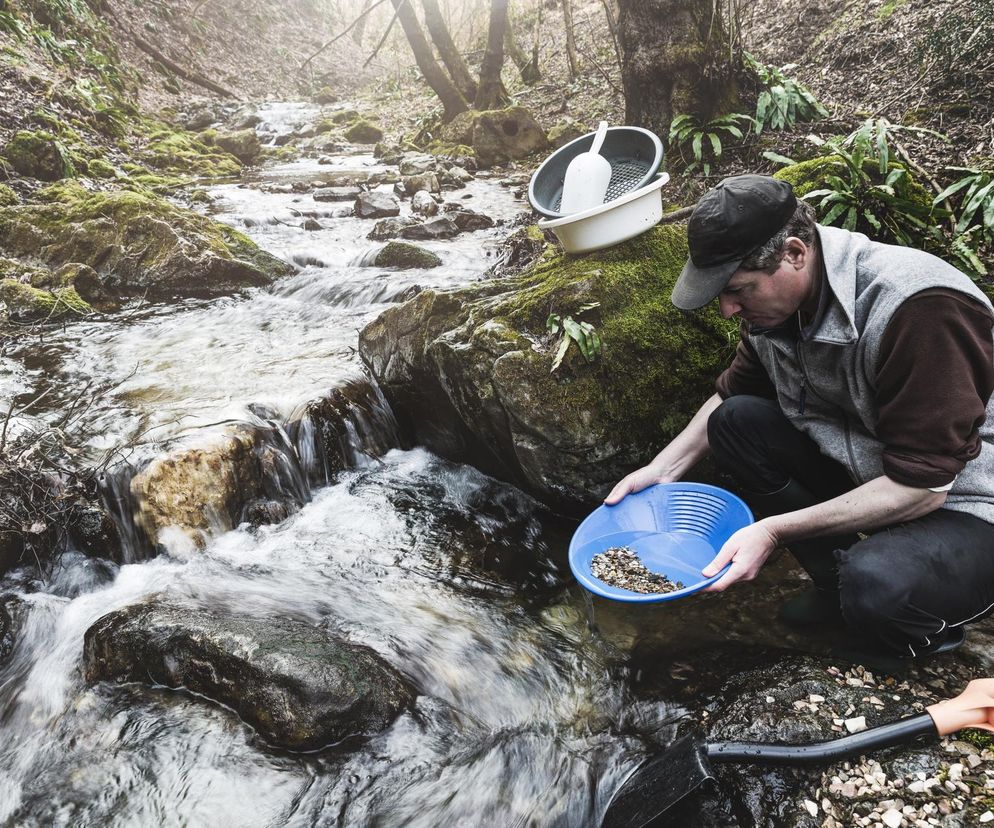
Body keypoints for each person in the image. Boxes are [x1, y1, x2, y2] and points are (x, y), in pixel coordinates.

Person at [604, 173, 994, 664]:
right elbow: (731, 396)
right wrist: (660, 471)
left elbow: (923, 486)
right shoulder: (776, 309)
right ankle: (837, 590)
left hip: (969, 500)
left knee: (875, 583)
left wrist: (773, 530)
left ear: (794, 253)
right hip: (875, 467)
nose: (727, 310)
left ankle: (921, 631)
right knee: (735, 422)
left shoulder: (919, 308)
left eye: (738, 290)